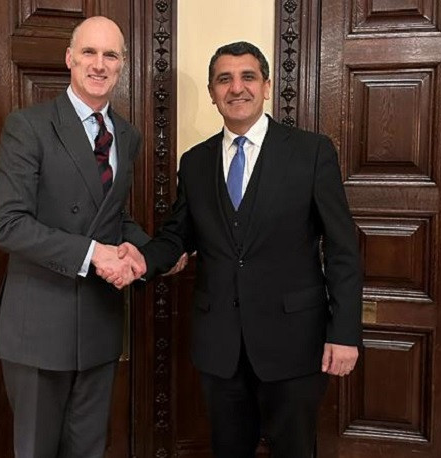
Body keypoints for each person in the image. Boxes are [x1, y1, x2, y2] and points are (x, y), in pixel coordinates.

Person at [125, 41, 363, 457]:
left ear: (266, 86)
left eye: (248, 77)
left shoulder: (311, 152)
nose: (236, 88)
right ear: (212, 92)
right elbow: (177, 235)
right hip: (220, 347)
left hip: (295, 343)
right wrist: (142, 259)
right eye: (224, 79)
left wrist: (344, 334)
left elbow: (343, 247)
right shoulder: (194, 162)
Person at [0, 16, 151, 457]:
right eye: (89, 52)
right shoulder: (29, 126)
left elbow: (111, 217)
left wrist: (149, 253)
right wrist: (94, 254)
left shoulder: (128, 136)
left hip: (99, 325)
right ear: (69, 59)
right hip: (38, 328)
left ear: (122, 64)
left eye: (110, 55)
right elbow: (7, 224)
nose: (99, 64)